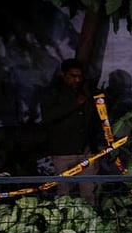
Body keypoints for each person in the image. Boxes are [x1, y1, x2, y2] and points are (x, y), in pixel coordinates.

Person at [39, 58, 102, 204]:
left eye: (80, 76)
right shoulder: (52, 92)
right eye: (73, 76)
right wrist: (74, 103)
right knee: (64, 194)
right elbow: (48, 117)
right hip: (63, 152)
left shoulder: (87, 90)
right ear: (63, 75)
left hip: (86, 151)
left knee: (90, 192)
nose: (77, 80)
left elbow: (94, 118)